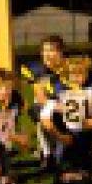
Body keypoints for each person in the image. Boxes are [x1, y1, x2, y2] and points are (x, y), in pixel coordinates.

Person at [39, 56, 92, 184]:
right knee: (65, 171)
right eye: (74, 74)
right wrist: (60, 136)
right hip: (68, 131)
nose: (79, 78)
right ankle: (53, 161)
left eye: (82, 73)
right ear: (67, 74)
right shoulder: (56, 84)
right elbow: (45, 118)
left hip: (90, 128)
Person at [20, 35, 67, 167]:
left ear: (60, 52)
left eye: (51, 50)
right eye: (44, 50)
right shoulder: (36, 69)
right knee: (41, 113)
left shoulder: (69, 67)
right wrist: (56, 107)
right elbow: (40, 96)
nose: (47, 54)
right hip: (47, 104)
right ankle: (47, 154)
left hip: (68, 103)